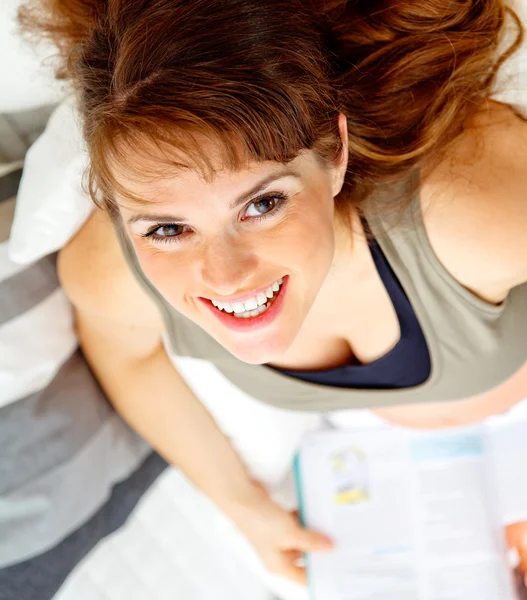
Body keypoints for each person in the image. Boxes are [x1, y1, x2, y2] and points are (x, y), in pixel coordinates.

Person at [21, 0, 527, 594]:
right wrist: (242, 504)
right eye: (167, 228)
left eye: (262, 204)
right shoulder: (115, 273)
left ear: (334, 153)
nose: (227, 276)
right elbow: (125, 356)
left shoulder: (471, 215)